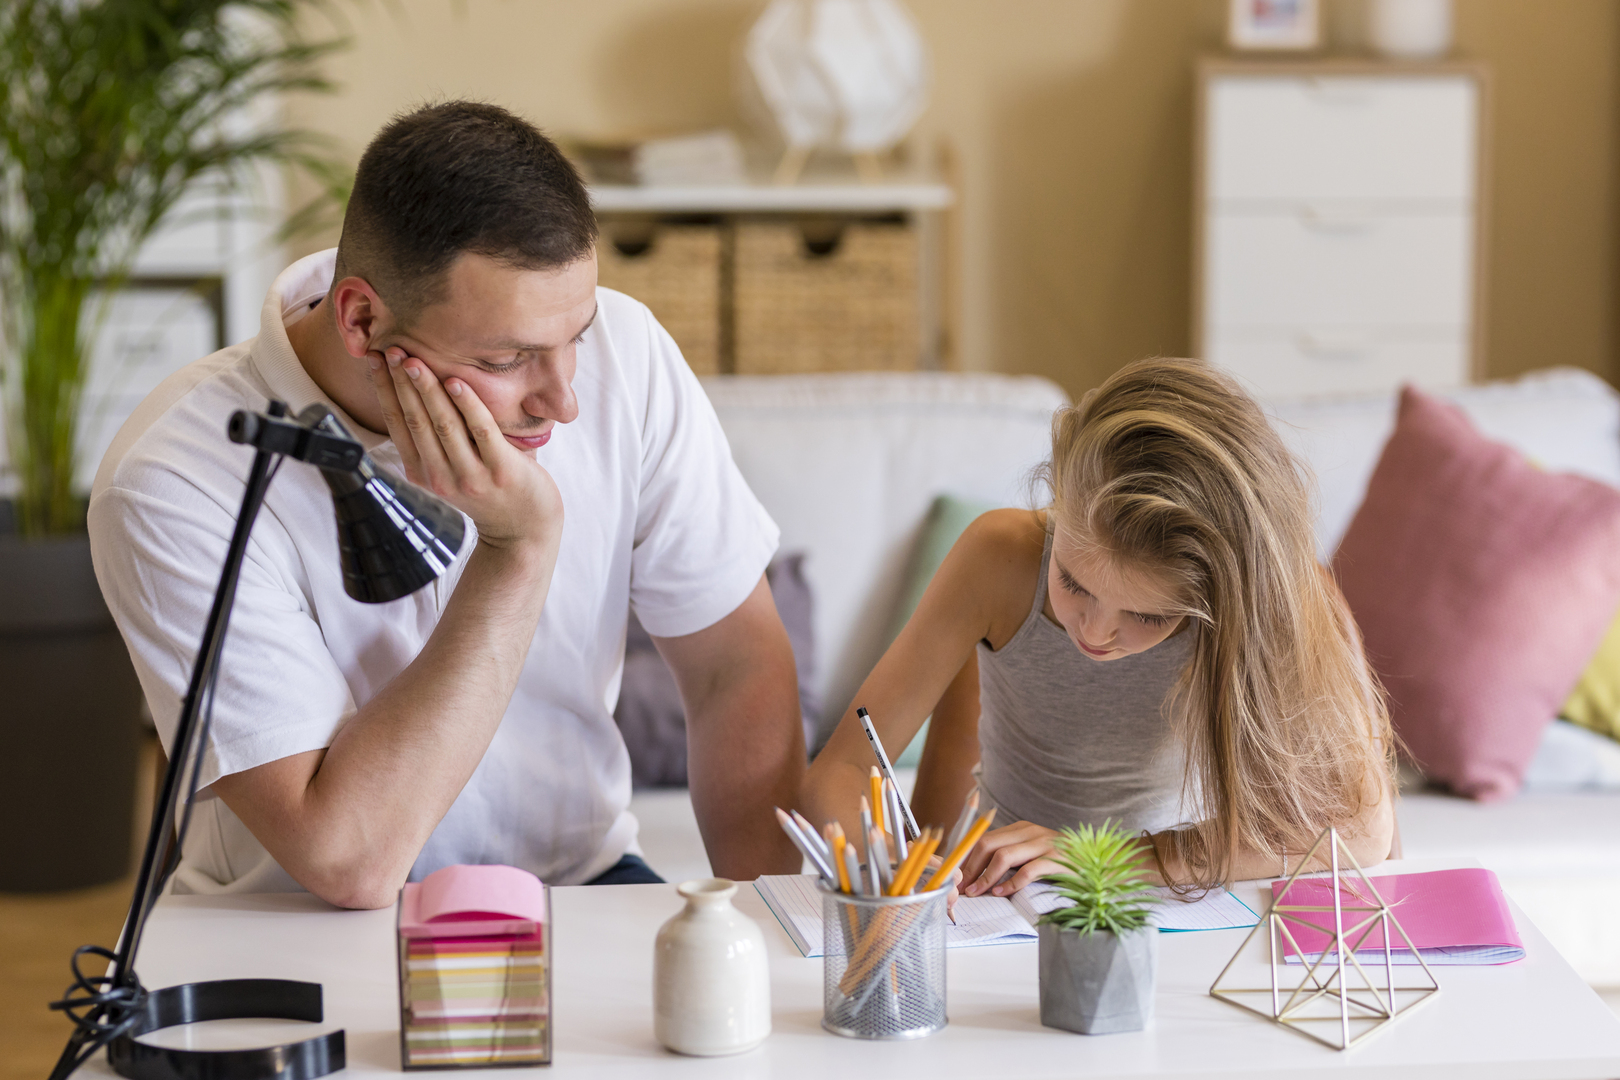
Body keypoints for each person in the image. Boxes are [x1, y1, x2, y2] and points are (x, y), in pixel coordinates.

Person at [89, 102, 805, 908]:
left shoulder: (628, 354)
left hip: (580, 886)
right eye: (507, 359)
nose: (565, 400)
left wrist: (773, 929)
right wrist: (518, 550)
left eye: (576, 337)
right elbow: (346, 859)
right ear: (362, 320)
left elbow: (733, 667)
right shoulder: (174, 479)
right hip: (299, 920)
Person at [801, 357, 1395, 896]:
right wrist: (891, 868)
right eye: (1072, 581)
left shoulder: (1278, 599)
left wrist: (1099, 858)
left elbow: (1364, 833)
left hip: (1169, 896)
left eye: (1148, 615)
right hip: (1003, 900)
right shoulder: (998, 557)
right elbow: (840, 770)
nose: (1095, 631)